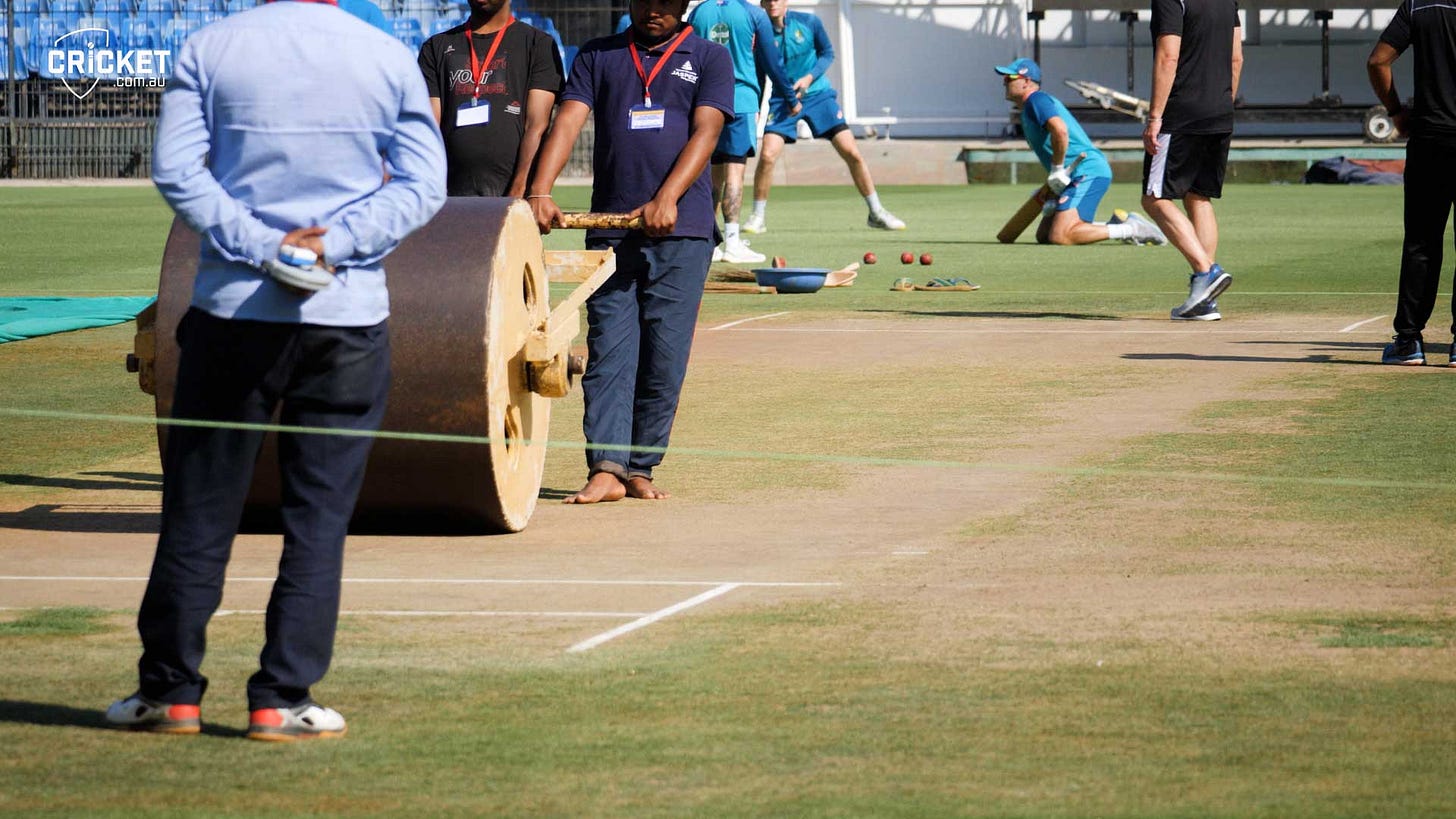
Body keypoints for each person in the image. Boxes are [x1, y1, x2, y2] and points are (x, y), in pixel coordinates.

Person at [105, 0, 446, 740]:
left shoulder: (211, 45)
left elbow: (175, 171)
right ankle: (281, 698)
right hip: (346, 314)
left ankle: (169, 692)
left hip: (233, 312)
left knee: (200, 508)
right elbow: (423, 185)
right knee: (317, 516)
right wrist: (334, 245)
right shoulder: (384, 52)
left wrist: (263, 246)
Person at [527, 0, 731, 504]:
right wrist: (540, 191)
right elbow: (569, 121)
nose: (653, 11)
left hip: (681, 230)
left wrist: (667, 198)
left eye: (664, 3)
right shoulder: (600, 55)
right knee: (609, 352)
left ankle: (641, 466)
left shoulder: (708, 56)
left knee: (664, 357)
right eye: (644, 2)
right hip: (611, 228)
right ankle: (607, 468)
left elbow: (707, 131)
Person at [743, 0, 906, 236]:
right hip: (782, 101)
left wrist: (809, 78)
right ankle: (757, 217)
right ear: (762, 3)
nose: (773, 3)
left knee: (851, 152)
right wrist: (755, 106)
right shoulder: (760, 33)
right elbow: (759, 74)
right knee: (767, 155)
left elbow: (827, 53)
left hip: (819, 96)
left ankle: (876, 211)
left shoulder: (809, 22)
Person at [993, 57, 1166, 248]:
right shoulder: (1029, 108)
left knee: (1061, 236)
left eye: (1009, 78)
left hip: (1087, 170)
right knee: (1045, 235)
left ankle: (1133, 229)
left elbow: (1060, 130)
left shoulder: (1037, 99)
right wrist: (1053, 185)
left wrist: (1057, 169)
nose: (1004, 82)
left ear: (1026, 81)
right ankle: (1113, 225)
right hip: (1069, 176)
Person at [1142, 0, 1242, 321]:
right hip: (1220, 110)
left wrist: (1155, 116)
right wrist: (1222, 104)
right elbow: (1236, 57)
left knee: (1154, 198)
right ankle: (1203, 300)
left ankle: (1205, 272)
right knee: (1199, 196)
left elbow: (1168, 55)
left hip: (1181, 112)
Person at [1368, 0, 1455, 365]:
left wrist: (1396, 113)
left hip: (1430, 139)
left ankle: (1408, 341)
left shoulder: (1420, 4)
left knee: (1421, 241)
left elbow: (1377, 61)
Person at [686, 0, 798, 264]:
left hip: (704, 100)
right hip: (742, 100)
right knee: (735, 171)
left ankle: (708, 241)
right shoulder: (753, 14)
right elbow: (772, 63)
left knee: (710, 173)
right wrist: (791, 99)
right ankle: (733, 242)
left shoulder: (698, 12)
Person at [417, 0, 563, 197]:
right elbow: (429, 127)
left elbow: (537, 126)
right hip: (450, 200)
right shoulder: (435, 47)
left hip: (513, 197)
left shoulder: (538, 44)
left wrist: (518, 191)